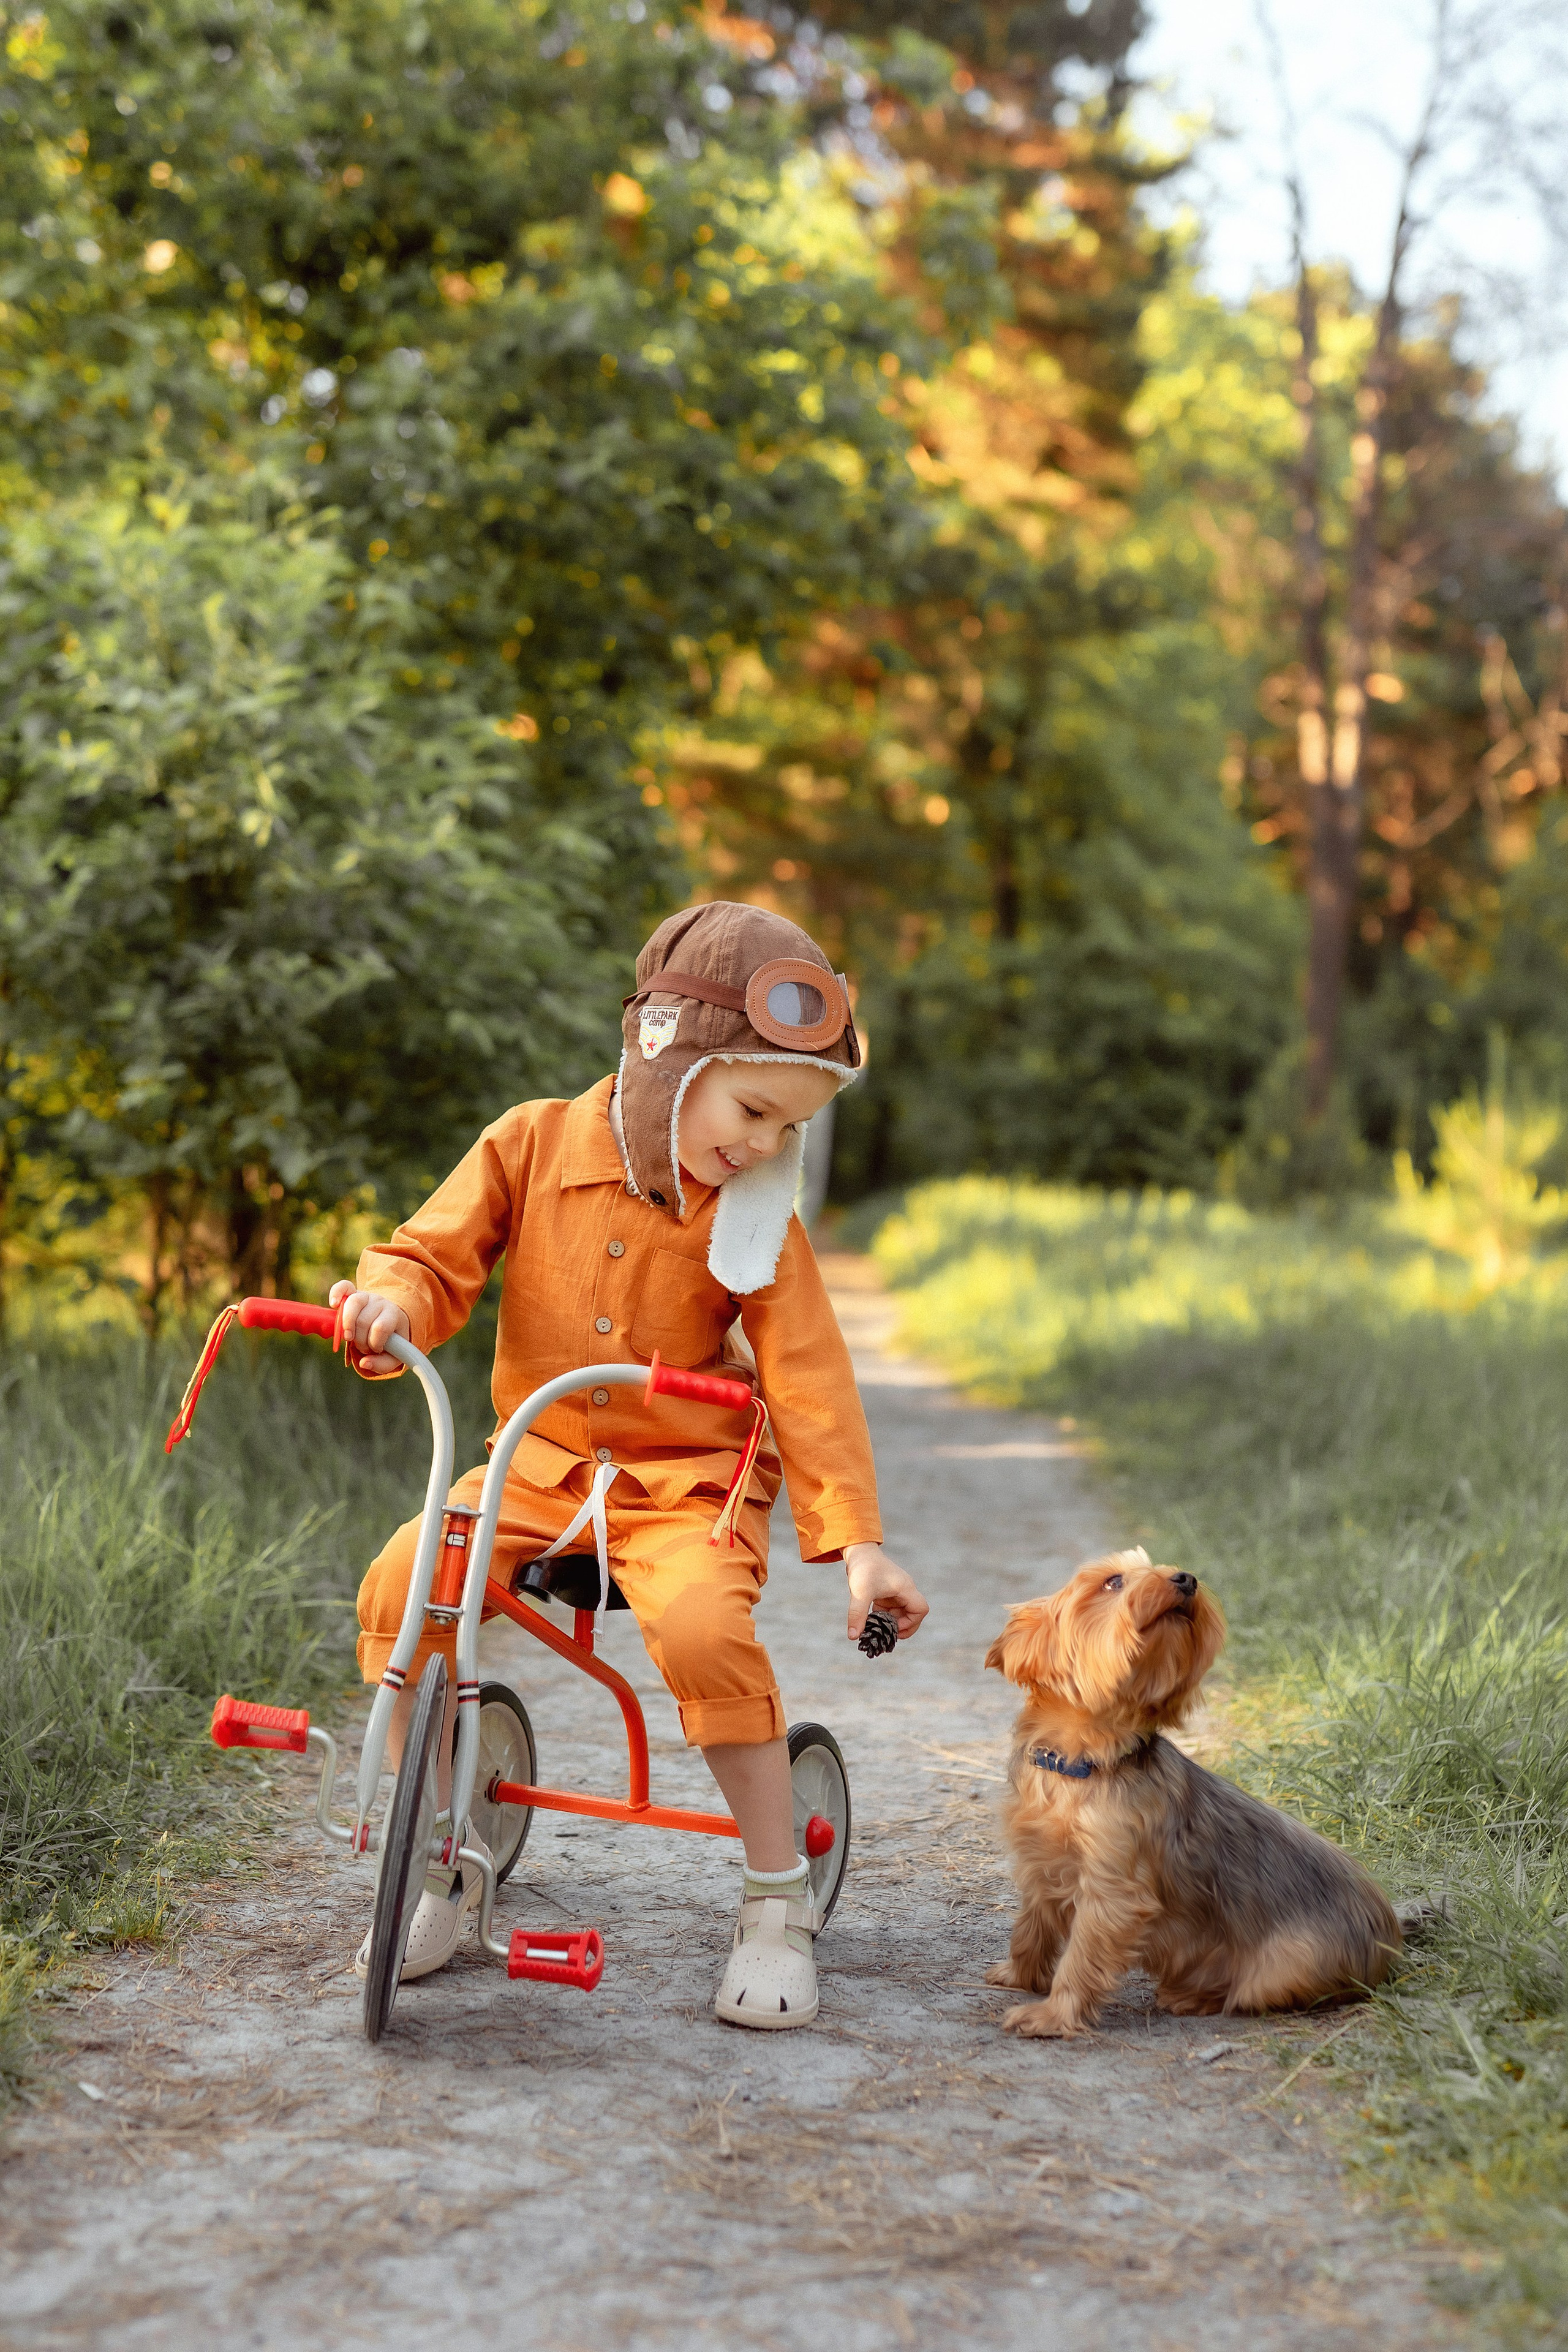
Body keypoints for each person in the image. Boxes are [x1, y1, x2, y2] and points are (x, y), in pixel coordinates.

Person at [335, 900, 929, 2028]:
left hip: (683, 1487)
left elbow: (805, 1372)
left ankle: (774, 1895)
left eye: (786, 1130)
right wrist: (390, 1302)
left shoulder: (752, 1213)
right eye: (754, 1108)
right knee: (405, 1585)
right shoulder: (532, 1141)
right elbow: (430, 1255)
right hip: (538, 1459)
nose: (762, 1146)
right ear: (667, 1050)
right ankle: (440, 1859)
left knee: (706, 1630)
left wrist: (858, 1545)